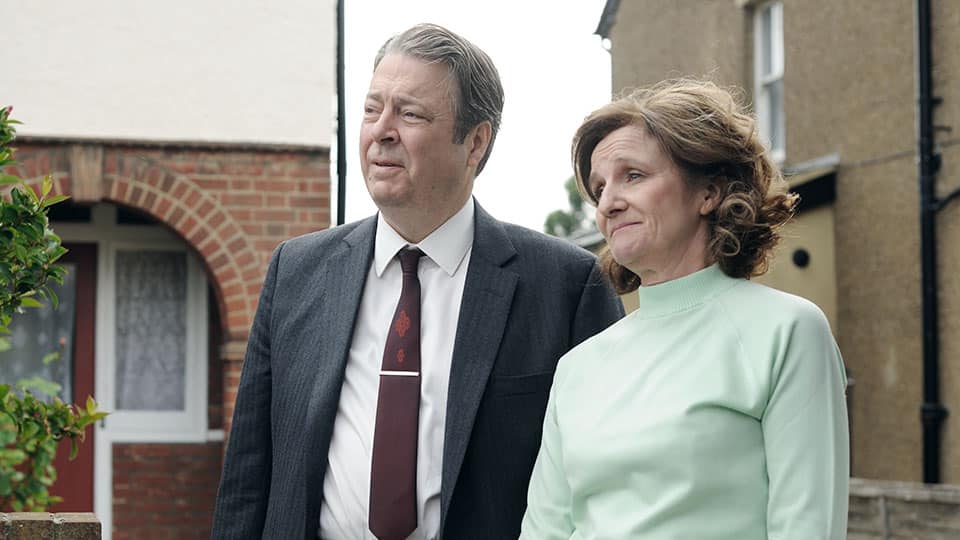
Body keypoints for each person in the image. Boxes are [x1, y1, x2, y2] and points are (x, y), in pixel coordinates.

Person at [211, 23, 624, 540]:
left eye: (409, 113)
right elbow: (249, 477)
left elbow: (606, 481)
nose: (382, 130)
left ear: (475, 142)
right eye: (371, 108)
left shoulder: (564, 285)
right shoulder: (295, 271)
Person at [520, 79, 850, 539]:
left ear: (709, 193)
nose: (609, 204)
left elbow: (807, 528)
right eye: (599, 188)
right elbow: (545, 531)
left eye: (632, 175)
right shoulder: (576, 367)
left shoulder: (788, 332)